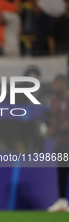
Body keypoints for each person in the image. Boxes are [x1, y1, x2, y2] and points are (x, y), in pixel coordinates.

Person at [46, 75, 69, 212]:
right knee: (61, 170)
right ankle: (62, 200)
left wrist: (56, 129)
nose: (54, 85)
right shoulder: (54, 99)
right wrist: (51, 128)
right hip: (60, 141)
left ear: (64, 83)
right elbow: (53, 117)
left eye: (57, 83)